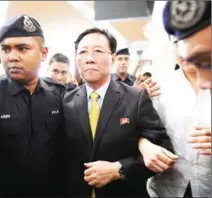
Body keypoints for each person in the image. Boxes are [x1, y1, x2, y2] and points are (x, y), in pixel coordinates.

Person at [63, 27, 174, 197]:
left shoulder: (135, 98)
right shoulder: (66, 101)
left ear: (112, 58)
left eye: (98, 51)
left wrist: (118, 169)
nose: (89, 59)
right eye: (82, 52)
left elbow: (162, 149)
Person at [0, 14, 65, 197]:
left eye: (22, 49)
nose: (12, 57)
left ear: (43, 53)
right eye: (6, 49)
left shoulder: (58, 94)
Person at [139, 1, 211, 197]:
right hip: (169, 187)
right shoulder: (158, 86)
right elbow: (138, 129)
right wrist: (144, 146)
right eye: (178, 42)